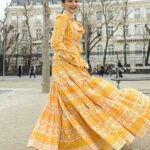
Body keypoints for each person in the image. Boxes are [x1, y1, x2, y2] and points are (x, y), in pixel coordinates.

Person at [27, 0, 150, 150]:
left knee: (87, 95)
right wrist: (73, 58)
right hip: (64, 65)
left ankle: (98, 133)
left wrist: (77, 58)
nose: (74, 4)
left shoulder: (73, 22)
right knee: (72, 99)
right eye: (70, 1)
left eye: (75, 1)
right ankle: (72, 139)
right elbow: (56, 43)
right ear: (63, 4)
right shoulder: (61, 19)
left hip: (74, 63)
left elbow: (72, 44)